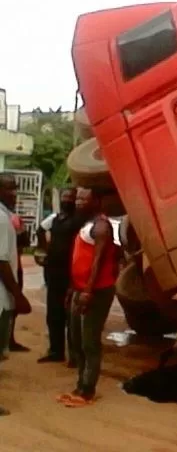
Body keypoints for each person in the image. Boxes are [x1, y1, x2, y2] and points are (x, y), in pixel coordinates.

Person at [58, 187, 119, 407]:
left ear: (97, 201)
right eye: (78, 199)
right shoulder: (86, 224)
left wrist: (87, 291)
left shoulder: (101, 227)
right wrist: (73, 289)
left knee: (89, 341)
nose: (78, 203)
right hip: (79, 289)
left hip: (95, 291)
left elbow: (98, 262)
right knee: (76, 339)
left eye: (84, 199)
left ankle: (87, 389)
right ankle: (80, 383)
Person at [37, 188, 84, 365]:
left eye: (70, 198)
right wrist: (44, 250)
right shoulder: (55, 219)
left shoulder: (79, 221)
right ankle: (55, 351)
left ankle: (75, 356)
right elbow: (40, 230)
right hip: (53, 273)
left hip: (71, 274)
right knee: (53, 314)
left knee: (71, 317)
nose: (67, 200)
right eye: (64, 197)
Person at [0, 173, 30, 416]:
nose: (14, 194)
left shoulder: (7, 217)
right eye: (9, 189)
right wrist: (18, 295)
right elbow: (1, 262)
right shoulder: (0, 219)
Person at [8, 211, 32, 352]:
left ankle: (9, 338)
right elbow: (25, 242)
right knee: (12, 303)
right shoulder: (14, 219)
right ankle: (8, 339)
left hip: (14, 265)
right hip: (13, 266)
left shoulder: (13, 218)